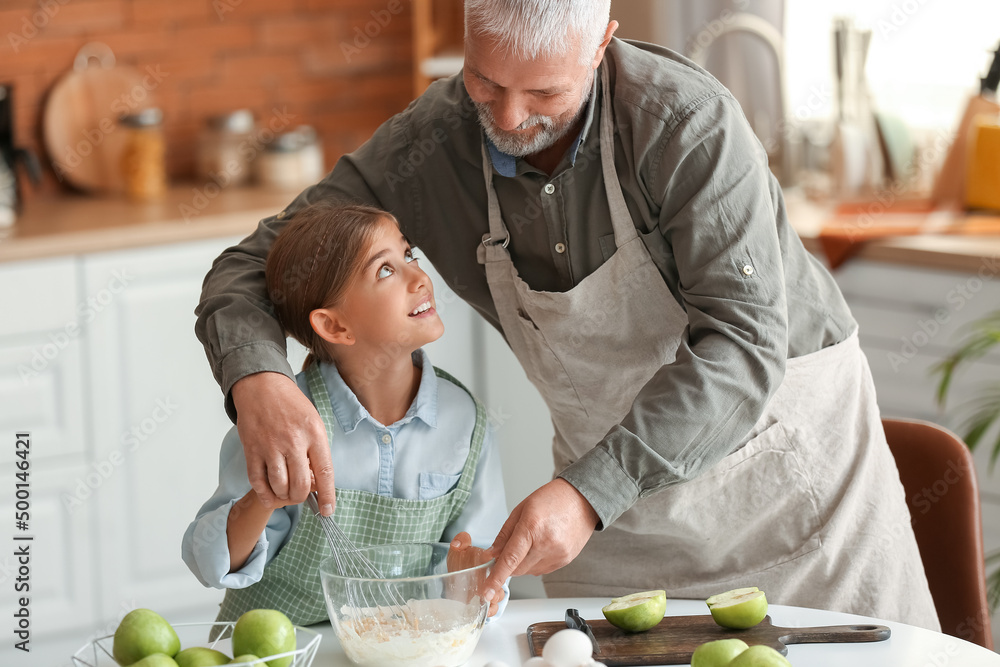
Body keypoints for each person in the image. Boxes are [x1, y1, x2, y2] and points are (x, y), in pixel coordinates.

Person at [194, 0, 940, 629]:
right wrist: (260, 381)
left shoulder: (687, 127)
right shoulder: (434, 141)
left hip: (788, 489)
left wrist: (590, 493)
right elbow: (249, 266)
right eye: (484, 82)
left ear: (602, 43)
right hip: (612, 517)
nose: (509, 119)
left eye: (544, 94)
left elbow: (743, 346)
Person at [183, 202, 508, 624]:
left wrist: (470, 578)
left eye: (408, 255)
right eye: (385, 270)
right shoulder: (279, 422)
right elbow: (209, 562)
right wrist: (263, 500)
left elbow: (469, 570)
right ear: (335, 327)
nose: (420, 278)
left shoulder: (466, 421)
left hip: (392, 649)